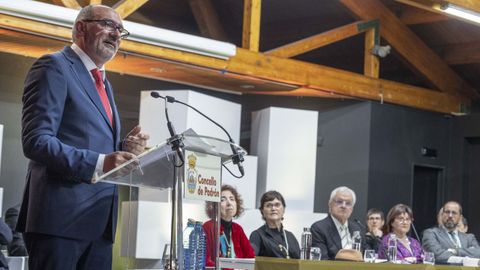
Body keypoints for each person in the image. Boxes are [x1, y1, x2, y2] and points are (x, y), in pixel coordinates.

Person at [17, 5, 149, 270]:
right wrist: (101, 163)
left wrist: (124, 149)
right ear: (81, 27)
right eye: (108, 25)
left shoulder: (103, 81)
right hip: (60, 221)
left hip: (98, 224)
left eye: (120, 30)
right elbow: (36, 140)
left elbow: (90, 141)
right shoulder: (54, 66)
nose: (116, 35)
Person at [203, 185, 255, 267]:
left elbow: (250, 257)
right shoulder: (208, 227)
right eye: (223, 200)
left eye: (232, 199)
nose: (229, 203)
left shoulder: (238, 229)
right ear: (214, 205)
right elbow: (205, 261)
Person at [310, 186, 366, 260]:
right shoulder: (319, 228)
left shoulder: (357, 228)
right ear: (330, 204)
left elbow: (365, 256)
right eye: (339, 202)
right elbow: (322, 260)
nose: (343, 206)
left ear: (352, 209)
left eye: (348, 203)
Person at [249, 190, 300, 259]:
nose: (273, 208)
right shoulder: (257, 235)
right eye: (269, 205)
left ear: (283, 209)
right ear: (262, 211)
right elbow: (250, 260)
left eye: (277, 205)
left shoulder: (290, 236)